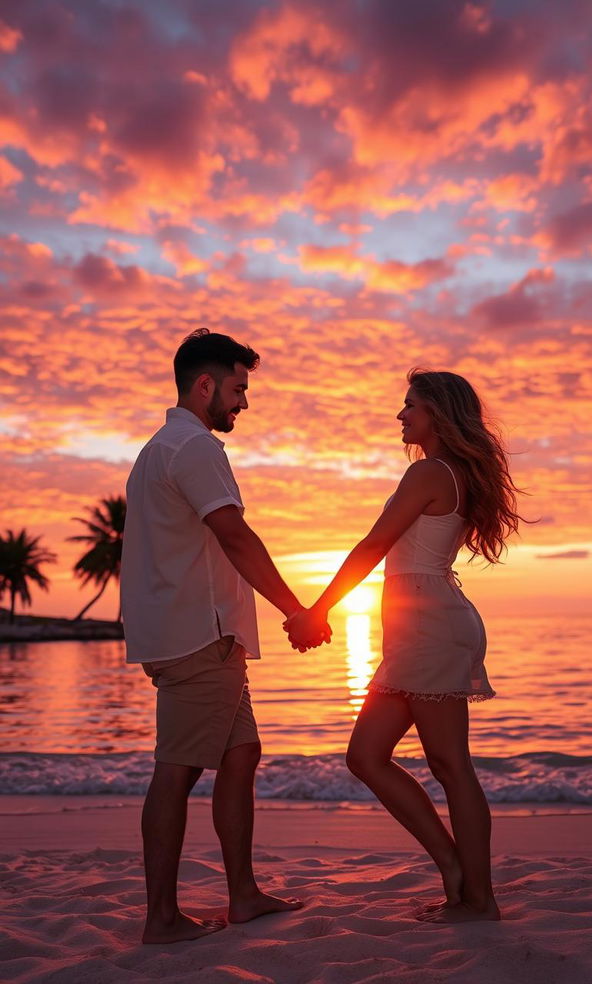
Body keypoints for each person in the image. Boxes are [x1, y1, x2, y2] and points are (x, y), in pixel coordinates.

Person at [286, 369, 524, 923]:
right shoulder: (446, 471)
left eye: (410, 406)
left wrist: (318, 610)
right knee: (366, 756)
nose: (401, 415)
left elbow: (374, 544)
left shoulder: (430, 472)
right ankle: (453, 866)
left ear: (438, 414)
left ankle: (479, 899)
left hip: (430, 628)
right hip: (419, 626)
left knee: (450, 765)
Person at [121, 329, 330, 944]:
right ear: (205, 384)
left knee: (241, 756)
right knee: (178, 771)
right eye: (239, 388)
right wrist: (298, 611)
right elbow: (235, 536)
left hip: (202, 636)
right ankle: (161, 919)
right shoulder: (192, 447)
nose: (243, 402)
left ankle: (243, 894)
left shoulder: (160, 448)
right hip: (197, 637)